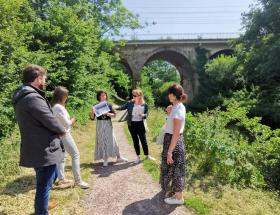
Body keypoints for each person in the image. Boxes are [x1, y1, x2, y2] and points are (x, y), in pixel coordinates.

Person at [12, 64, 66, 215]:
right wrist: (62, 130)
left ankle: (44, 203)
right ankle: (41, 211)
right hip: (43, 147)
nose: (45, 81)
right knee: (44, 183)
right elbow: (48, 119)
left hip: (35, 145)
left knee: (51, 175)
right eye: (44, 78)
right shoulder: (32, 97)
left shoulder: (23, 95)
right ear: (38, 78)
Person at [51, 86, 89, 189]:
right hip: (64, 134)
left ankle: (61, 179)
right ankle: (78, 181)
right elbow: (67, 123)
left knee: (62, 157)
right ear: (62, 96)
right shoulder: (58, 107)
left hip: (59, 134)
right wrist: (73, 120)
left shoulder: (55, 107)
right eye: (66, 96)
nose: (67, 98)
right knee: (75, 155)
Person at [160, 83, 187, 205]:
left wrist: (170, 152)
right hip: (171, 141)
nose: (168, 95)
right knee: (172, 168)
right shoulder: (176, 106)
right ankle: (173, 192)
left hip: (174, 143)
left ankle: (178, 198)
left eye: (169, 93)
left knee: (176, 170)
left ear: (173, 95)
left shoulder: (178, 110)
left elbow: (176, 133)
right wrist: (169, 111)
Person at [115, 89, 155, 164]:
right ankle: (138, 157)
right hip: (131, 124)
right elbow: (121, 108)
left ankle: (147, 155)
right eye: (133, 95)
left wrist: (144, 115)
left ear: (140, 96)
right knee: (135, 140)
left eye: (135, 95)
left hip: (140, 123)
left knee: (143, 140)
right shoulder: (130, 103)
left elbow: (147, 114)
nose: (133, 96)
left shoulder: (144, 104)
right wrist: (113, 107)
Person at [91, 90, 128, 167]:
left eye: (105, 95)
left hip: (108, 124)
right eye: (102, 95)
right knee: (102, 141)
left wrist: (107, 113)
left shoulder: (109, 105)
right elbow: (92, 118)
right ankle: (105, 159)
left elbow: (114, 115)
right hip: (100, 124)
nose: (104, 97)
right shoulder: (95, 106)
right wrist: (92, 112)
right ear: (99, 97)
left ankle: (119, 157)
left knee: (112, 140)